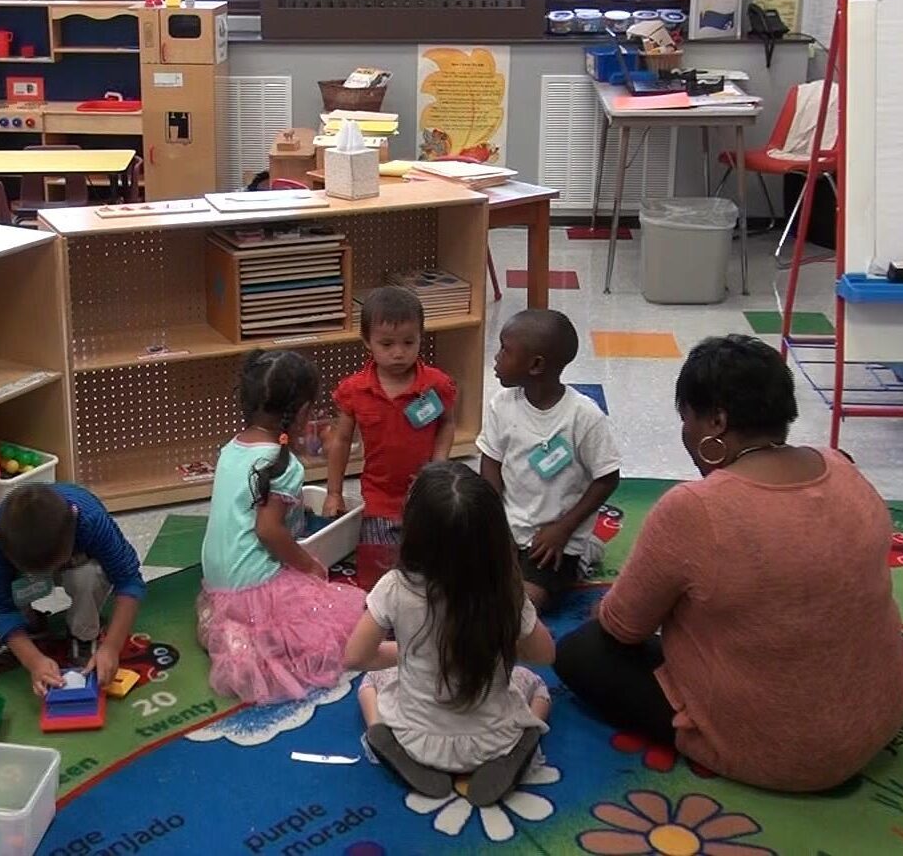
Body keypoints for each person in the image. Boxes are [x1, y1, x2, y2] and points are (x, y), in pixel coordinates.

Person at [554, 335, 903, 792]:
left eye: (686, 419)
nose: (685, 434)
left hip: (781, 753)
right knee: (828, 601)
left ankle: (713, 724)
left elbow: (621, 628)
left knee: (582, 651)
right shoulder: (841, 467)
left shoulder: (694, 509)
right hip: (879, 718)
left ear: (717, 422)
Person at [345, 461, 555, 807]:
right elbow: (545, 655)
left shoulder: (395, 587)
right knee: (537, 687)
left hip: (416, 738)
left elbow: (355, 657)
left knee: (370, 683)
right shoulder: (506, 589)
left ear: (413, 533)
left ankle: (379, 732)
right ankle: (523, 744)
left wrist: (408, 653)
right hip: (494, 739)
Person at [199, 350, 365, 703]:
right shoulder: (285, 466)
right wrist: (308, 565)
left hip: (217, 580)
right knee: (331, 619)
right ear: (303, 413)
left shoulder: (230, 448)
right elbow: (268, 531)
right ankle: (251, 642)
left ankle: (231, 630)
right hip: (253, 585)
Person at [478, 309, 621, 611]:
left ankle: (582, 553)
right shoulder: (501, 405)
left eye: (505, 349)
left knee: (526, 603)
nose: (496, 357)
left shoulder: (585, 416)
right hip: (508, 525)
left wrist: (564, 528)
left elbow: (607, 478)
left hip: (553, 538)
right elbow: (490, 462)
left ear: (536, 365)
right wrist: (494, 522)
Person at [327, 286, 457, 587]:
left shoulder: (436, 384)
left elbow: (447, 424)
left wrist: (437, 468)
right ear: (367, 342)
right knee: (377, 574)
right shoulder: (355, 389)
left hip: (424, 495)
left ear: (421, 337)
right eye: (387, 343)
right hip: (378, 497)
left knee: (429, 568)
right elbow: (342, 441)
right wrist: (333, 492)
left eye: (409, 342)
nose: (399, 352)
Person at [0, 482, 145, 693]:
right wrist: (32, 660)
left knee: (88, 574)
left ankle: (84, 633)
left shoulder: (90, 518)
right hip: (21, 568)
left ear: (74, 517)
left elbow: (129, 580)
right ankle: (29, 627)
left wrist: (112, 647)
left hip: (77, 563)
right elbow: (0, 606)